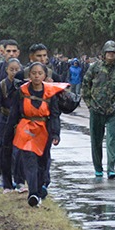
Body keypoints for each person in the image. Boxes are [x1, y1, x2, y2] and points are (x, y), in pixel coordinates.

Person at [8, 62, 68, 207]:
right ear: (29, 75)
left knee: (42, 162)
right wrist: (7, 133)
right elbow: (14, 114)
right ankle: (33, 193)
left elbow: (54, 115)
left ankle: (40, 188)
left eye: (40, 73)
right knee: (30, 161)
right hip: (26, 129)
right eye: (33, 73)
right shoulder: (21, 92)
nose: (36, 76)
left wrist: (55, 134)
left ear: (45, 76)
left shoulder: (50, 93)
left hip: (44, 131)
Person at [81, 40, 115, 179]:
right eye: (108, 52)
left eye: (113, 53)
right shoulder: (95, 67)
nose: (110, 55)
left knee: (112, 139)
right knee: (96, 140)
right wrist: (89, 103)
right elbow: (86, 84)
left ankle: (111, 168)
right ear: (103, 53)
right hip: (96, 108)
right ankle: (98, 168)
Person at [0, 58, 23, 194]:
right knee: (4, 153)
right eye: (11, 69)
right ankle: (7, 185)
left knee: (19, 153)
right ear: (6, 70)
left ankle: (20, 181)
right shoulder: (1, 86)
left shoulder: (24, 86)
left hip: (19, 122)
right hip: (4, 121)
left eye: (17, 70)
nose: (14, 72)